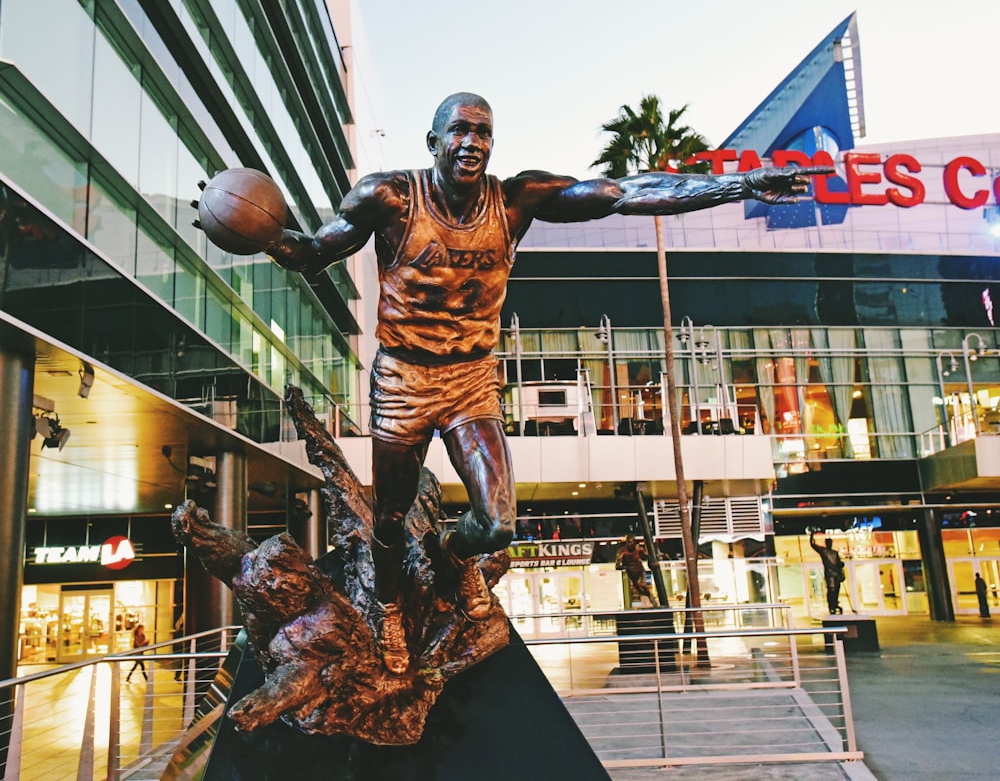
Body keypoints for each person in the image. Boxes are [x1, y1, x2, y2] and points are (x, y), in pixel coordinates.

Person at [263, 92, 825, 674]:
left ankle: (450, 556)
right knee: (388, 516)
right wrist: (259, 231)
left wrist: (739, 186)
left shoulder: (514, 201)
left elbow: (624, 193)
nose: (472, 142)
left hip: (470, 378)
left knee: (498, 522)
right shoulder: (391, 198)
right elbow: (310, 252)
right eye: (459, 130)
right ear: (433, 143)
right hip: (404, 377)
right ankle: (385, 605)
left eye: (483, 132)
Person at [810, 530, 845, 615]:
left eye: (830, 542)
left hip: (836, 574)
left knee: (836, 590)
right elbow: (813, 545)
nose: (830, 544)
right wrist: (811, 535)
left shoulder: (835, 553)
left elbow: (839, 563)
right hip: (830, 575)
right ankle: (831, 606)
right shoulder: (823, 551)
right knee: (831, 590)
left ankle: (835, 604)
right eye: (828, 542)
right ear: (826, 543)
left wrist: (841, 567)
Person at [615, 534, 655, 606]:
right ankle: (650, 597)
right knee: (640, 590)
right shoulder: (622, 552)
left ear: (634, 542)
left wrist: (652, 561)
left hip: (640, 571)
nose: (629, 544)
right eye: (627, 542)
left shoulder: (639, 549)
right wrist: (627, 567)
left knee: (642, 584)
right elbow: (617, 566)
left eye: (630, 542)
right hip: (632, 574)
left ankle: (651, 599)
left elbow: (647, 557)